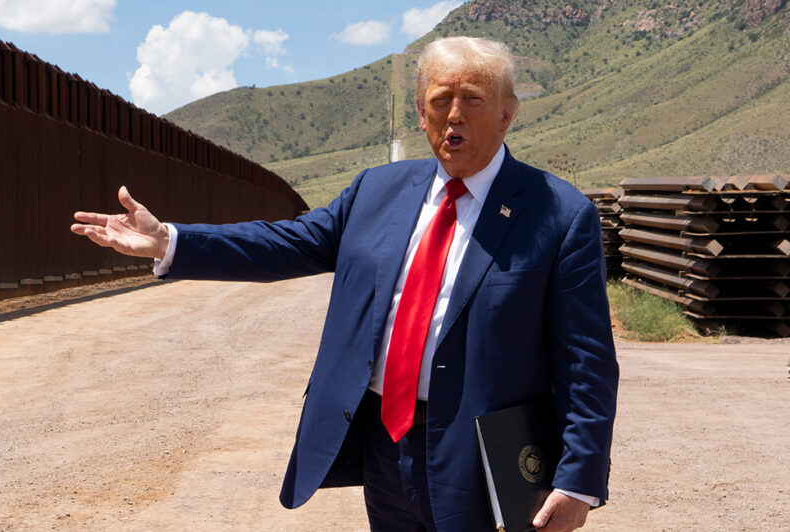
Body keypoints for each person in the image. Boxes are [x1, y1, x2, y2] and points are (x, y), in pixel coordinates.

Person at [71, 36, 618, 532]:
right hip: (385, 441)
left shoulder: (557, 214)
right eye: (439, 100)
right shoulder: (376, 192)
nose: (454, 115)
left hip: (482, 454)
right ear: (421, 115)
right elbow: (285, 242)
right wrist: (169, 240)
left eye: (472, 99)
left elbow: (586, 361)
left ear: (506, 114)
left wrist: (579, 479)